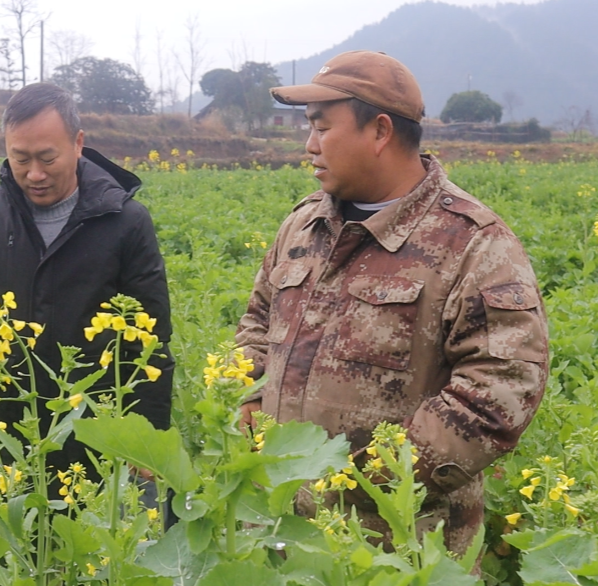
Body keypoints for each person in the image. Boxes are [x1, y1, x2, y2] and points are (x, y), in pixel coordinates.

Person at [235, 50, 548, 553]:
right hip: (276, 532)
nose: (309, 145)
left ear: (380, 131)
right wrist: (246, 395)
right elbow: (257, 320)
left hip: (398, 548)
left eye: (321, 127)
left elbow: (499, 391)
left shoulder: (472, 243)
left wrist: (369, 480)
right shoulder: (303, 225)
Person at [0, 82, 173, 488]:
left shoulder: (125, 223)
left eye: (47, 158)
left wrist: (148, 439)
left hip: (94, 437)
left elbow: (152, 340)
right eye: (21, 159)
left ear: (78, 143)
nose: (34, 174)